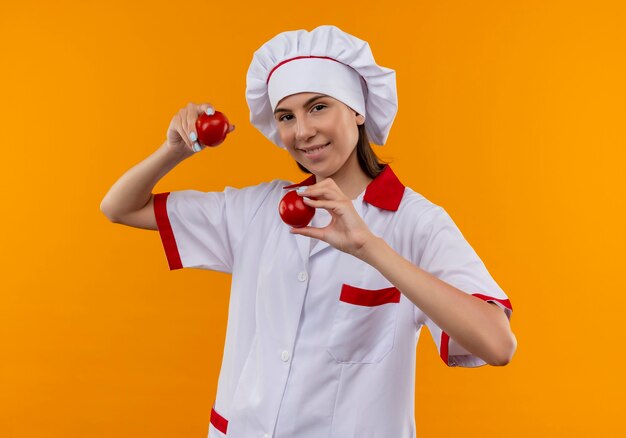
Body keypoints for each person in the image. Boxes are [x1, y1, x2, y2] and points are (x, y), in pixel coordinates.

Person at [101, 25, 516, 438]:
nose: (302, 131)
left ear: (357, 109)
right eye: (286, 116)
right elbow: (119, 207)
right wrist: (175, 147)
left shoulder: (416, 222)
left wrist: (370, 248)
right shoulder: (257, 209)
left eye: (318, 107)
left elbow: (498, 345)